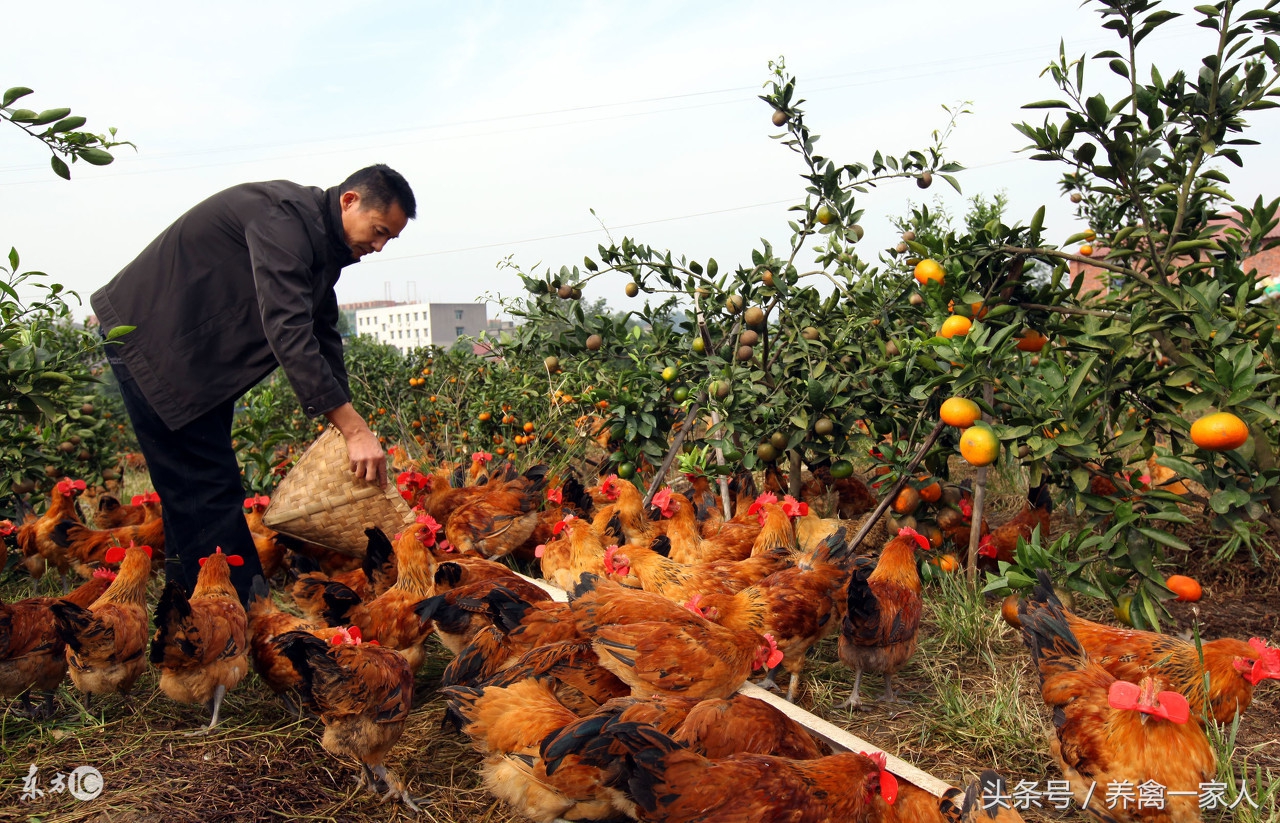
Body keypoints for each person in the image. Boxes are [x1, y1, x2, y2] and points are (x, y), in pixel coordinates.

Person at [91, 165, 415, 604]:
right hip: (152, 344)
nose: (378, 247)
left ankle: (194, 604)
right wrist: (353, 430)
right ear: (349, 200)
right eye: (378, 231)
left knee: (194, 485)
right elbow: (289, 330)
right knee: (206, 484)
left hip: (195, 357)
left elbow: (323, 332)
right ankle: (240, 613)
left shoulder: (320, 243)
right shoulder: (283, 219)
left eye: (387, 240)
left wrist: (348, 422)